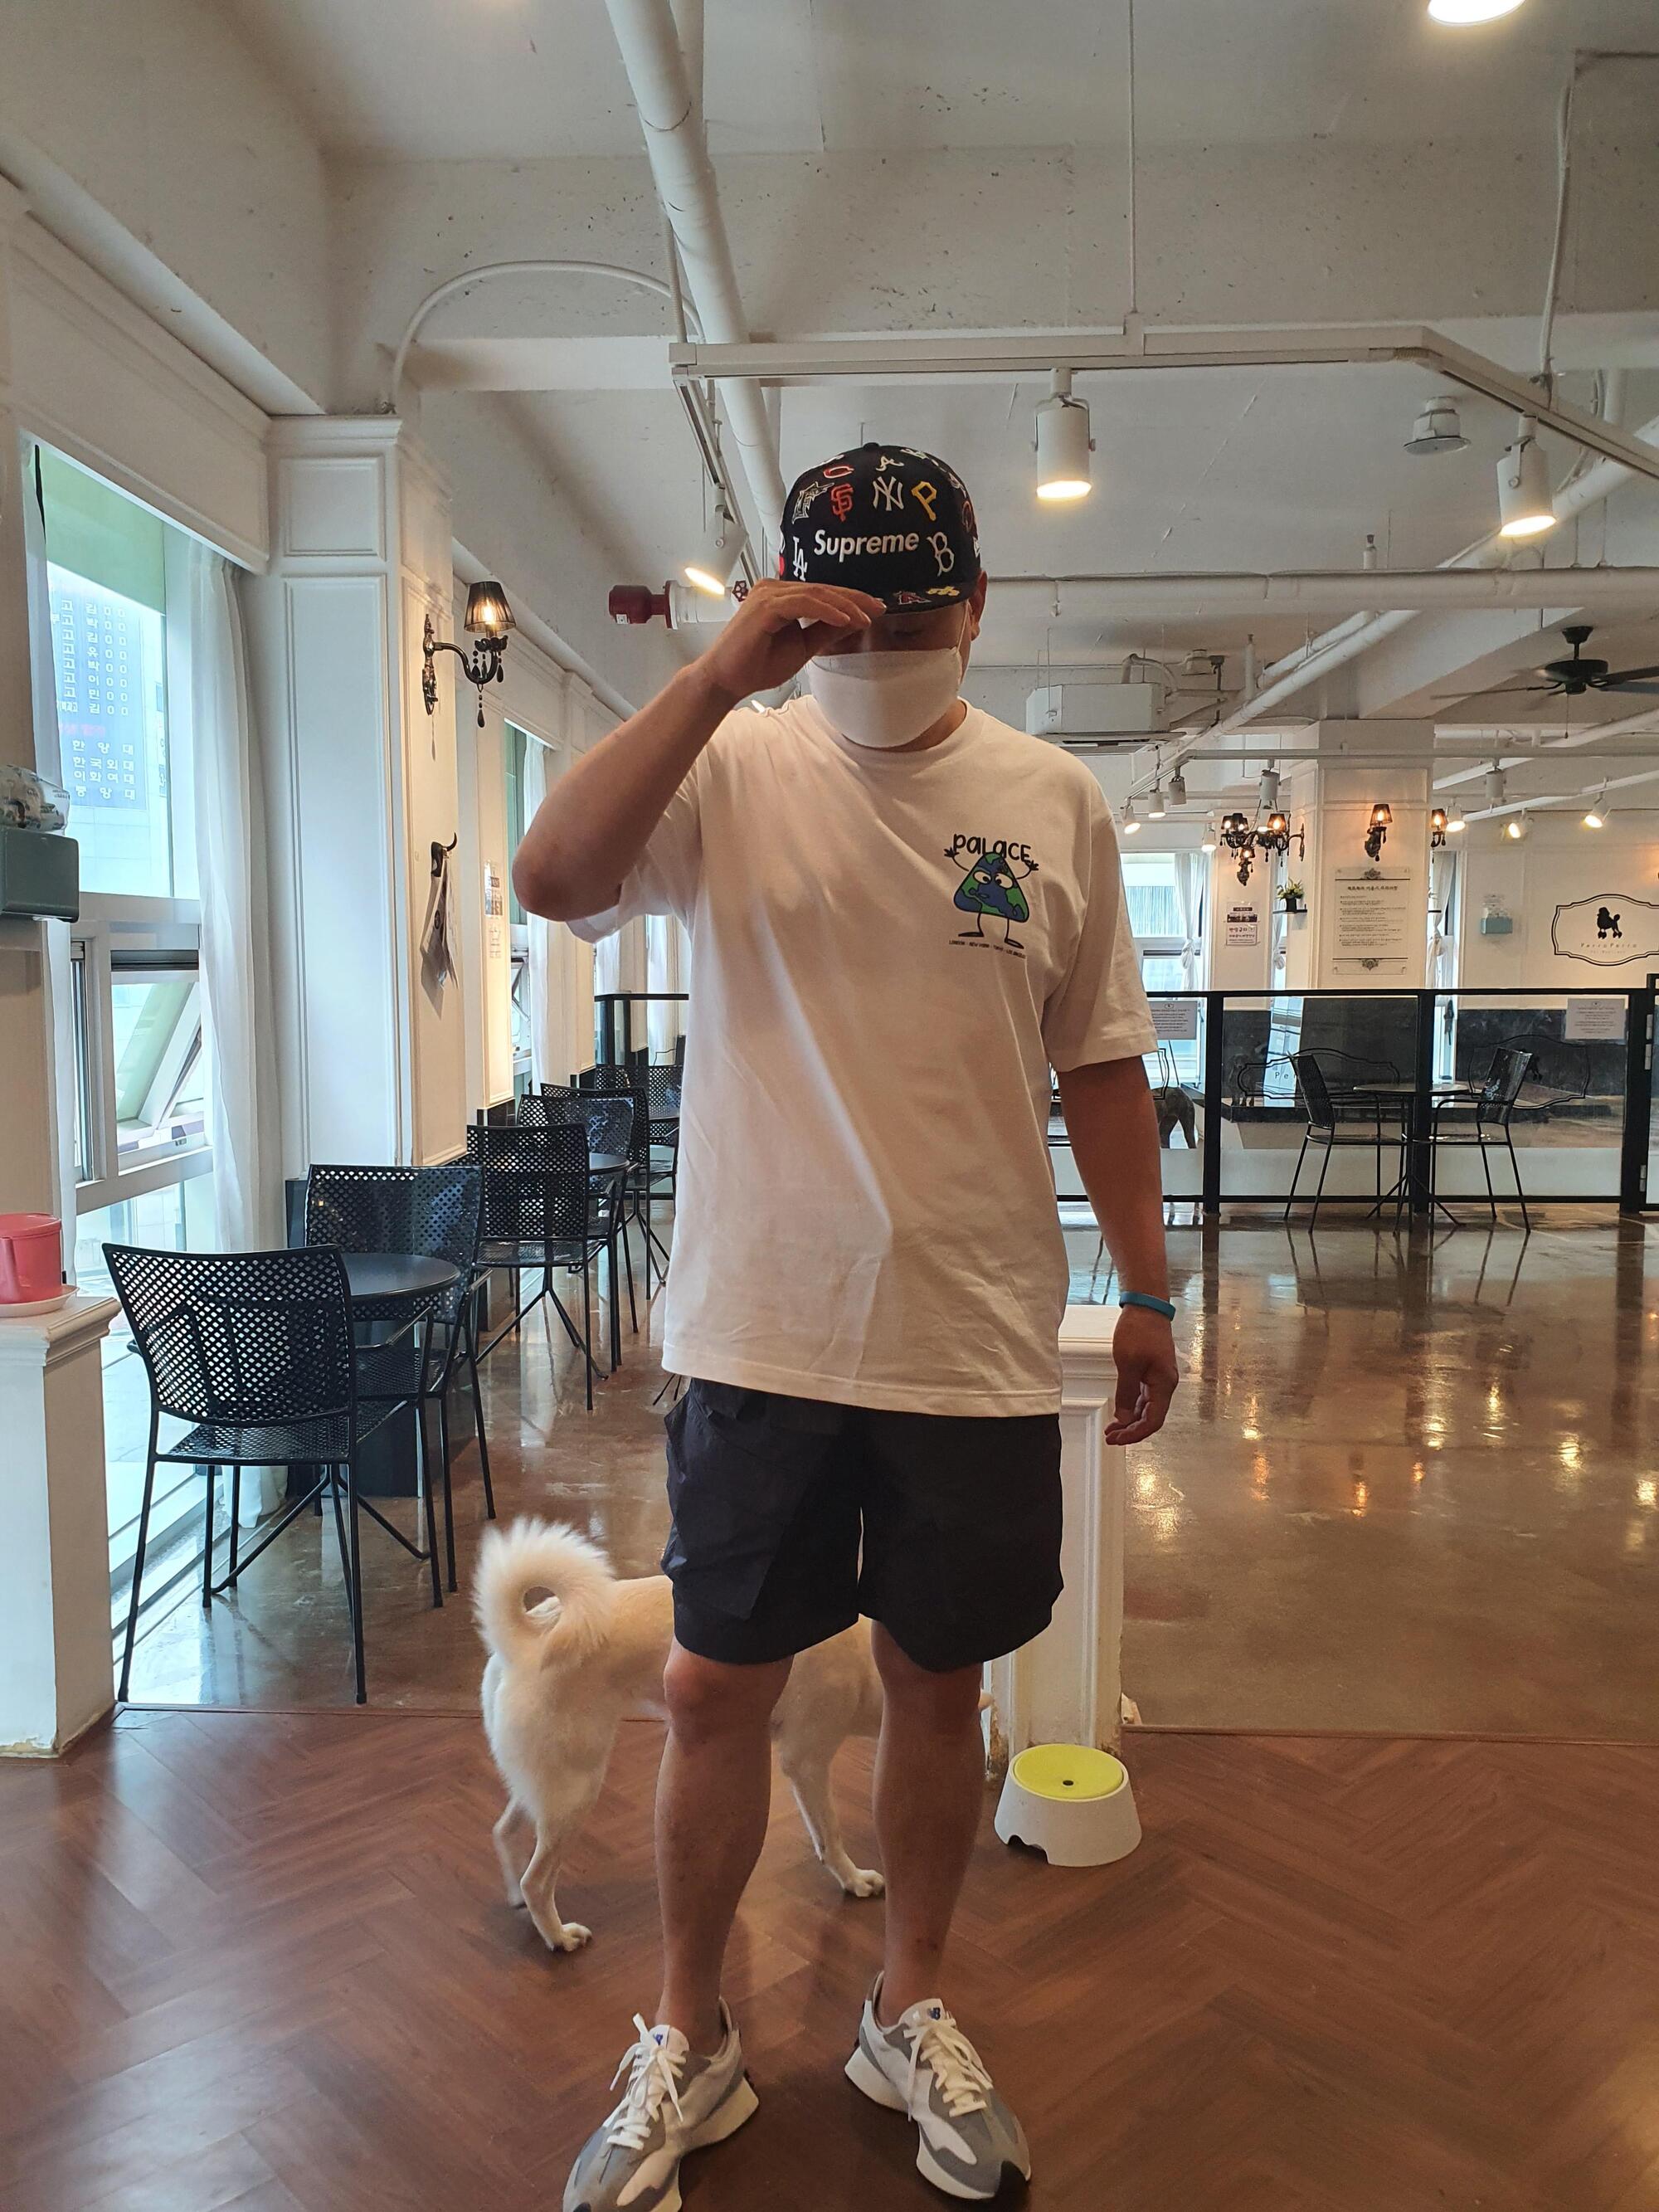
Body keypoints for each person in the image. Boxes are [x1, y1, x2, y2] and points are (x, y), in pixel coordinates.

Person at [513, 443, 1178, 2210]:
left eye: (910, 612)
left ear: (977, 604)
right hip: (761, 1330)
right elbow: (551, 875)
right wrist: (716, 673)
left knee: (938, 1683)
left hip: (973, 1331)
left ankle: (909, 2004)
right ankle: (689, 2031)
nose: (881, 646)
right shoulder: (727, 764)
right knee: (707, 1686)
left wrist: (1149, 1284)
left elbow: (1104, 1065)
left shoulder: (1051, 797)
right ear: (792, 608)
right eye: (843, 616)